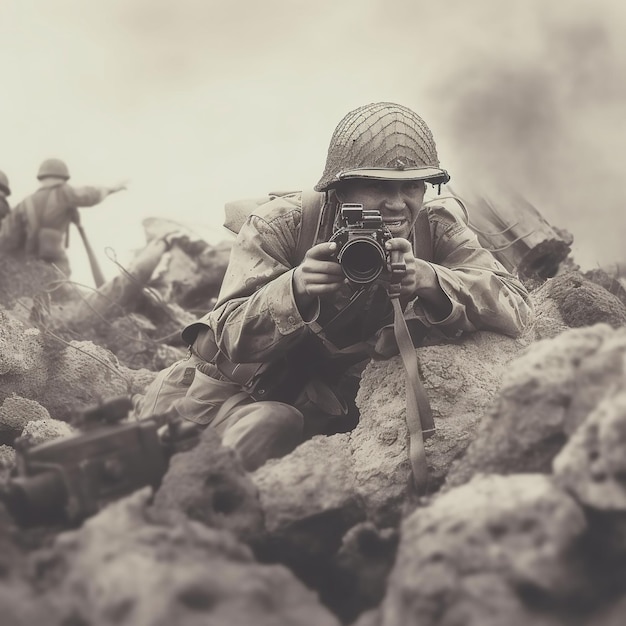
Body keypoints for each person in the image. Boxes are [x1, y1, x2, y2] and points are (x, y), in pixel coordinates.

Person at [136, 102, 534, 471]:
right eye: (378, 187)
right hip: (218, 399)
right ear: (340, 190)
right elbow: (227, 338)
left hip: (317, 409)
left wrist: (431, 280)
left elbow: (517, 306)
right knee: (263, 428)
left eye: (411, 187)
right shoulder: (283, 225)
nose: (397, 204)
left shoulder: (435, 228)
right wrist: (295, 290)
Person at [0, 158, 127, 277]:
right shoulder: (64, 192)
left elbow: (6, 238)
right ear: (63, 178)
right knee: (62, 292)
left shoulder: (24, 203)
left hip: (28, 266)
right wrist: (111, 189)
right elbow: (89, 195)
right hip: (55, 263)